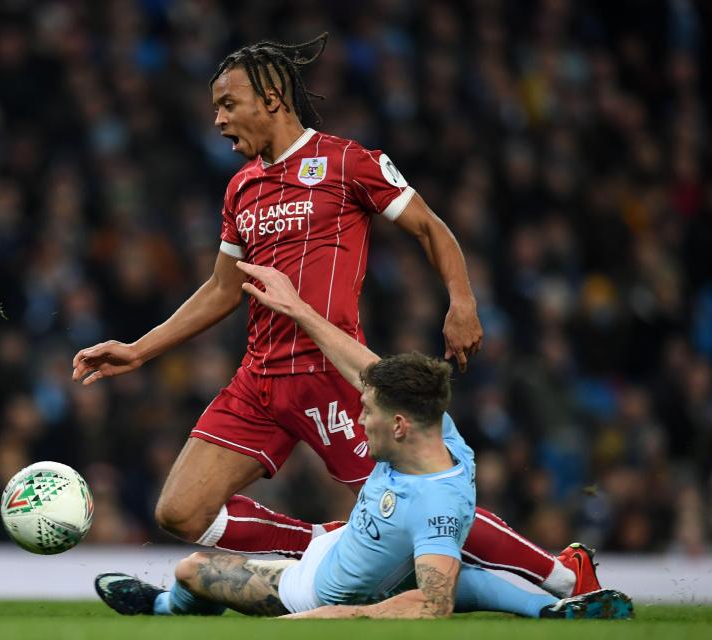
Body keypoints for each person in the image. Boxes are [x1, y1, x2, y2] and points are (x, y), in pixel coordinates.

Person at [73, 33, 591, 598]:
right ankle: (319, 543)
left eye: (227, 104)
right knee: (179, 511)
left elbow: (429, 227)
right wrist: (138, 350)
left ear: (271, 97)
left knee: (425, 502)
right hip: (260, 379)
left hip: (333, 374)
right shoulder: (241, 187)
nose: (218, 120)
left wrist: (462, 301)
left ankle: (565, 575)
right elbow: (223, 290)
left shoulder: (347, 162)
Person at [93, 261, 634, 620]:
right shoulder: (442, 436)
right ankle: (554, 601)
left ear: (398, 424)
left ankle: (163, 610)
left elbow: (434, 605)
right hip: (344, 547)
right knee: (460, 576)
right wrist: (300, 310)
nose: (360, 417)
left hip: (314, 590)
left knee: (192, 571)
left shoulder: (436, 503)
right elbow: (371, 371)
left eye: (368, 413)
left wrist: (332, 617)